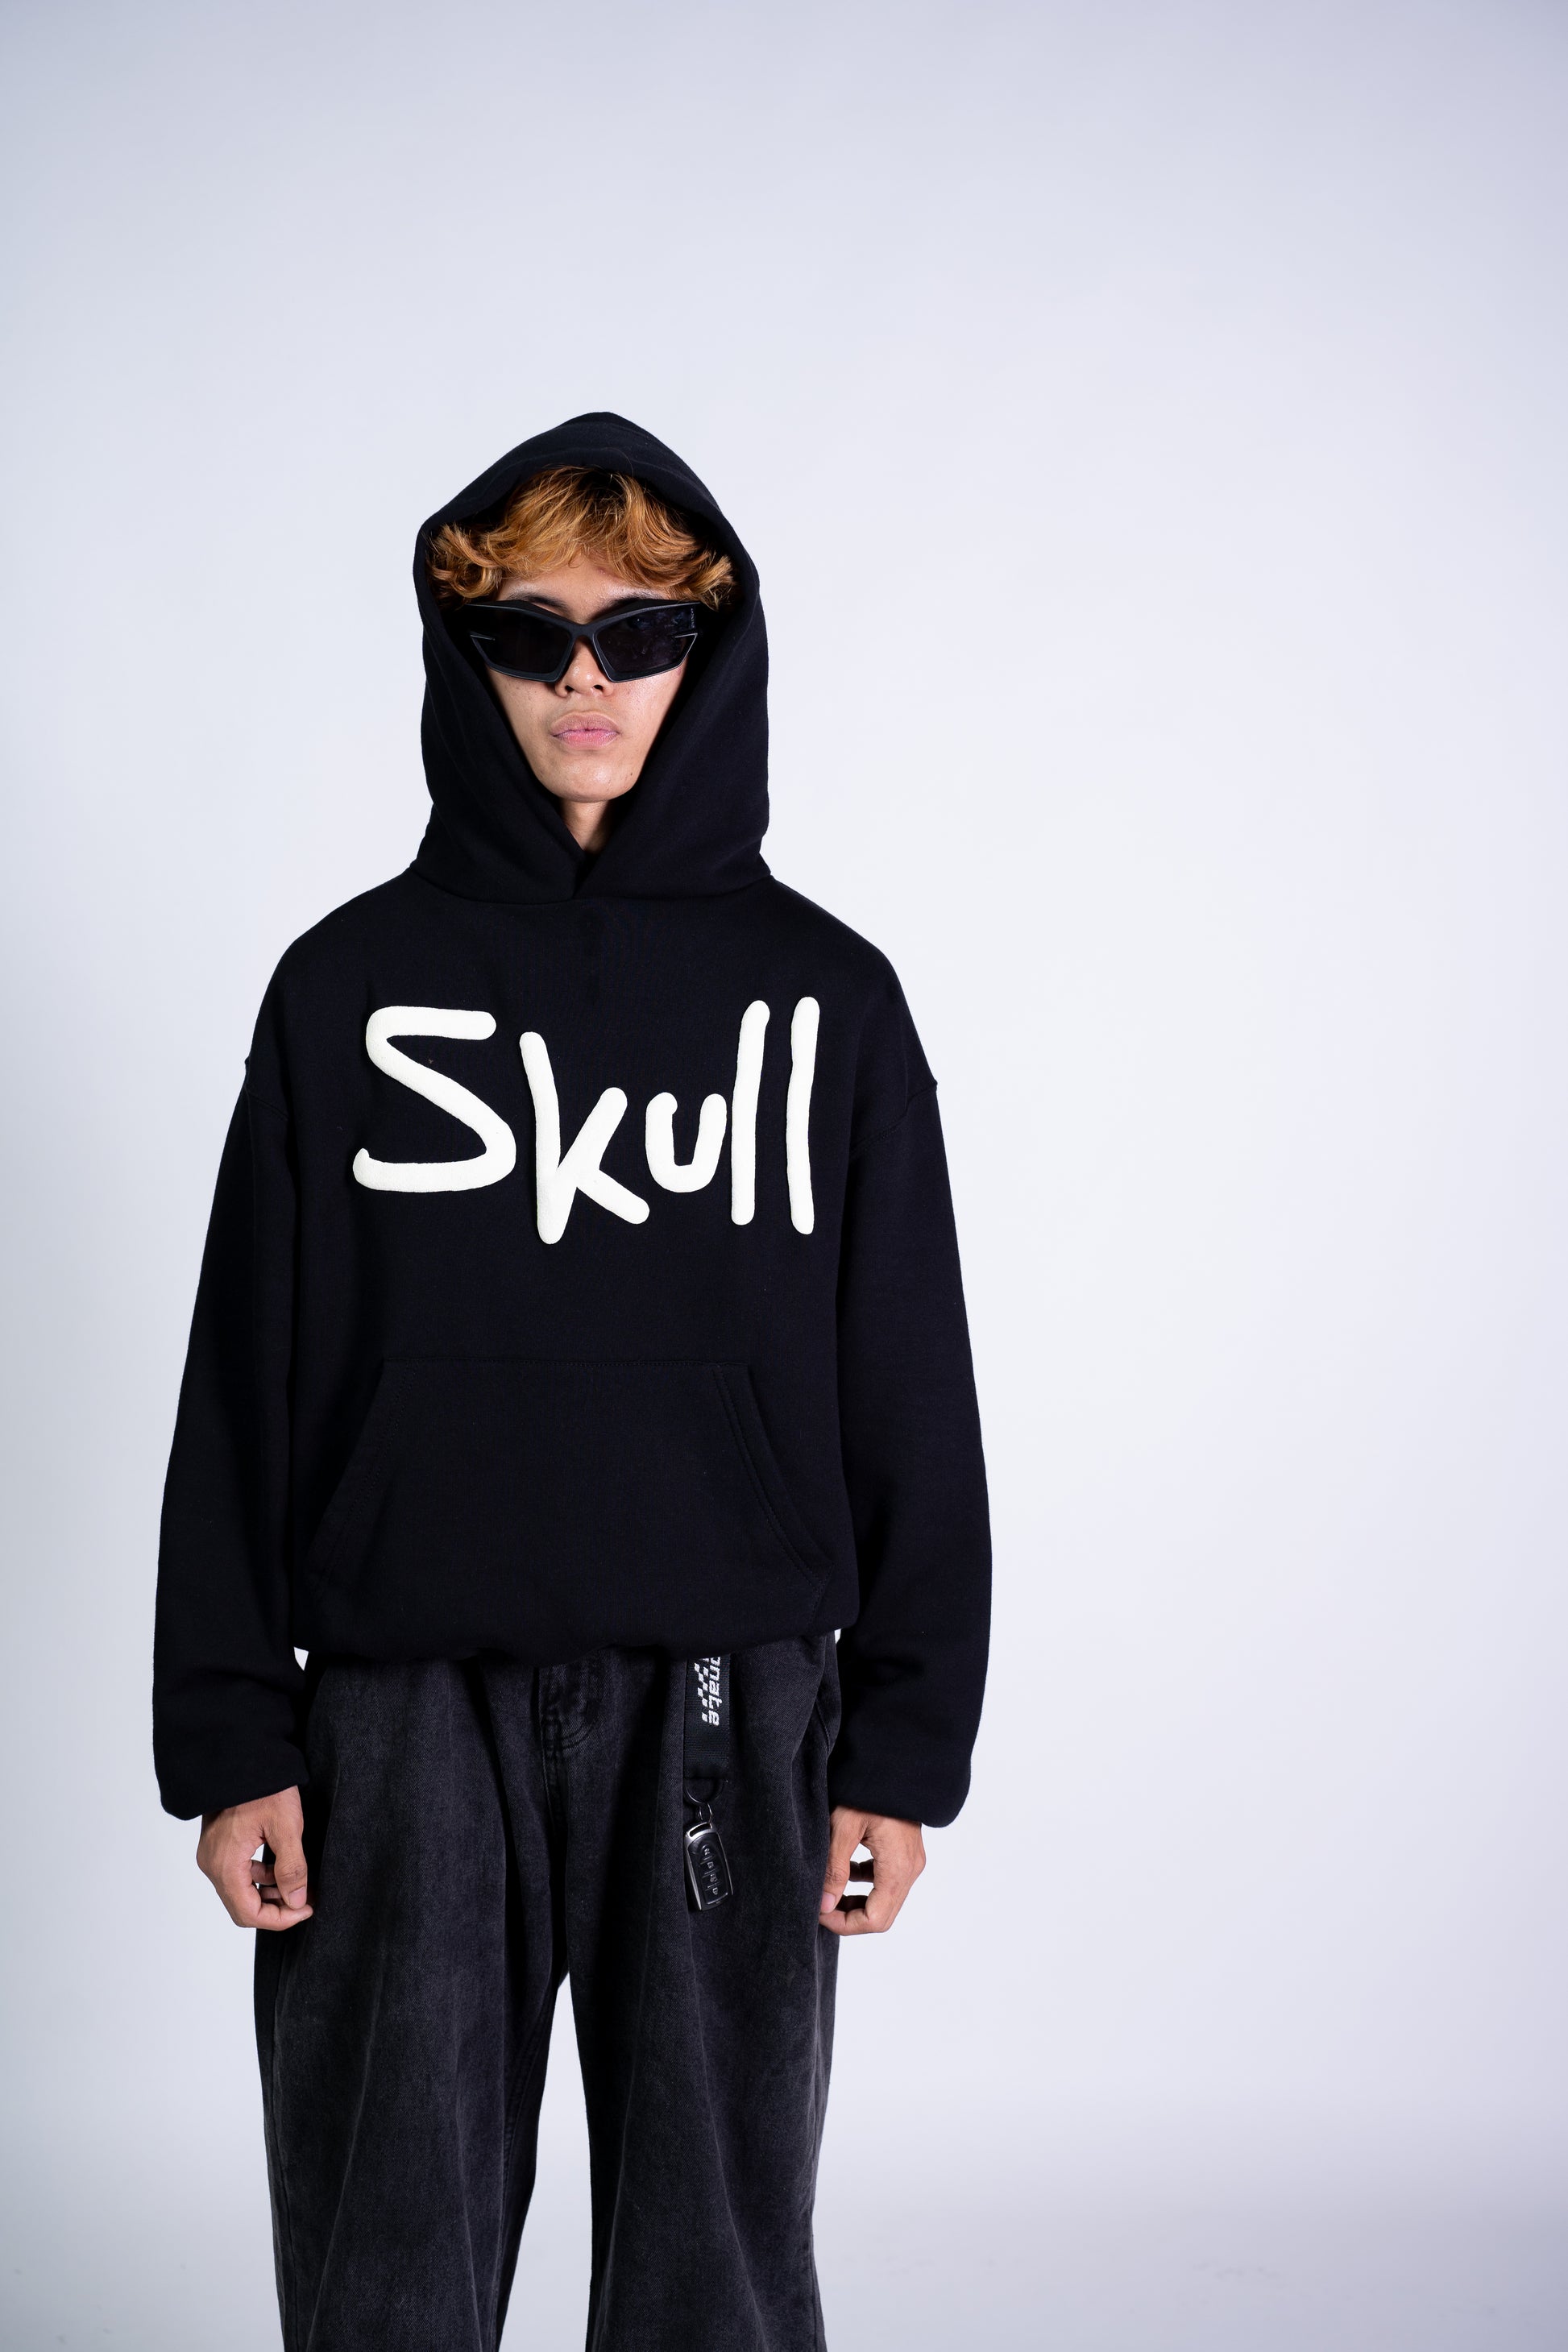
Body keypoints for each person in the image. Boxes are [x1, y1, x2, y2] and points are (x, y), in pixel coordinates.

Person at [153, 414, 990, 2352]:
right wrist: (229, 1726)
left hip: (728, 1700)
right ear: (468, 655)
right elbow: (245, 1372)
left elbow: (907, 1376)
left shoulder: (829, 999)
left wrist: (903, 1742)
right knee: (386, 2259)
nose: (585, 679)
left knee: (718, 2267)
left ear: (713, 649)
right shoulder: (344, 988)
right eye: (531, 635)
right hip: (398, 1711)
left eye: (640, 632)